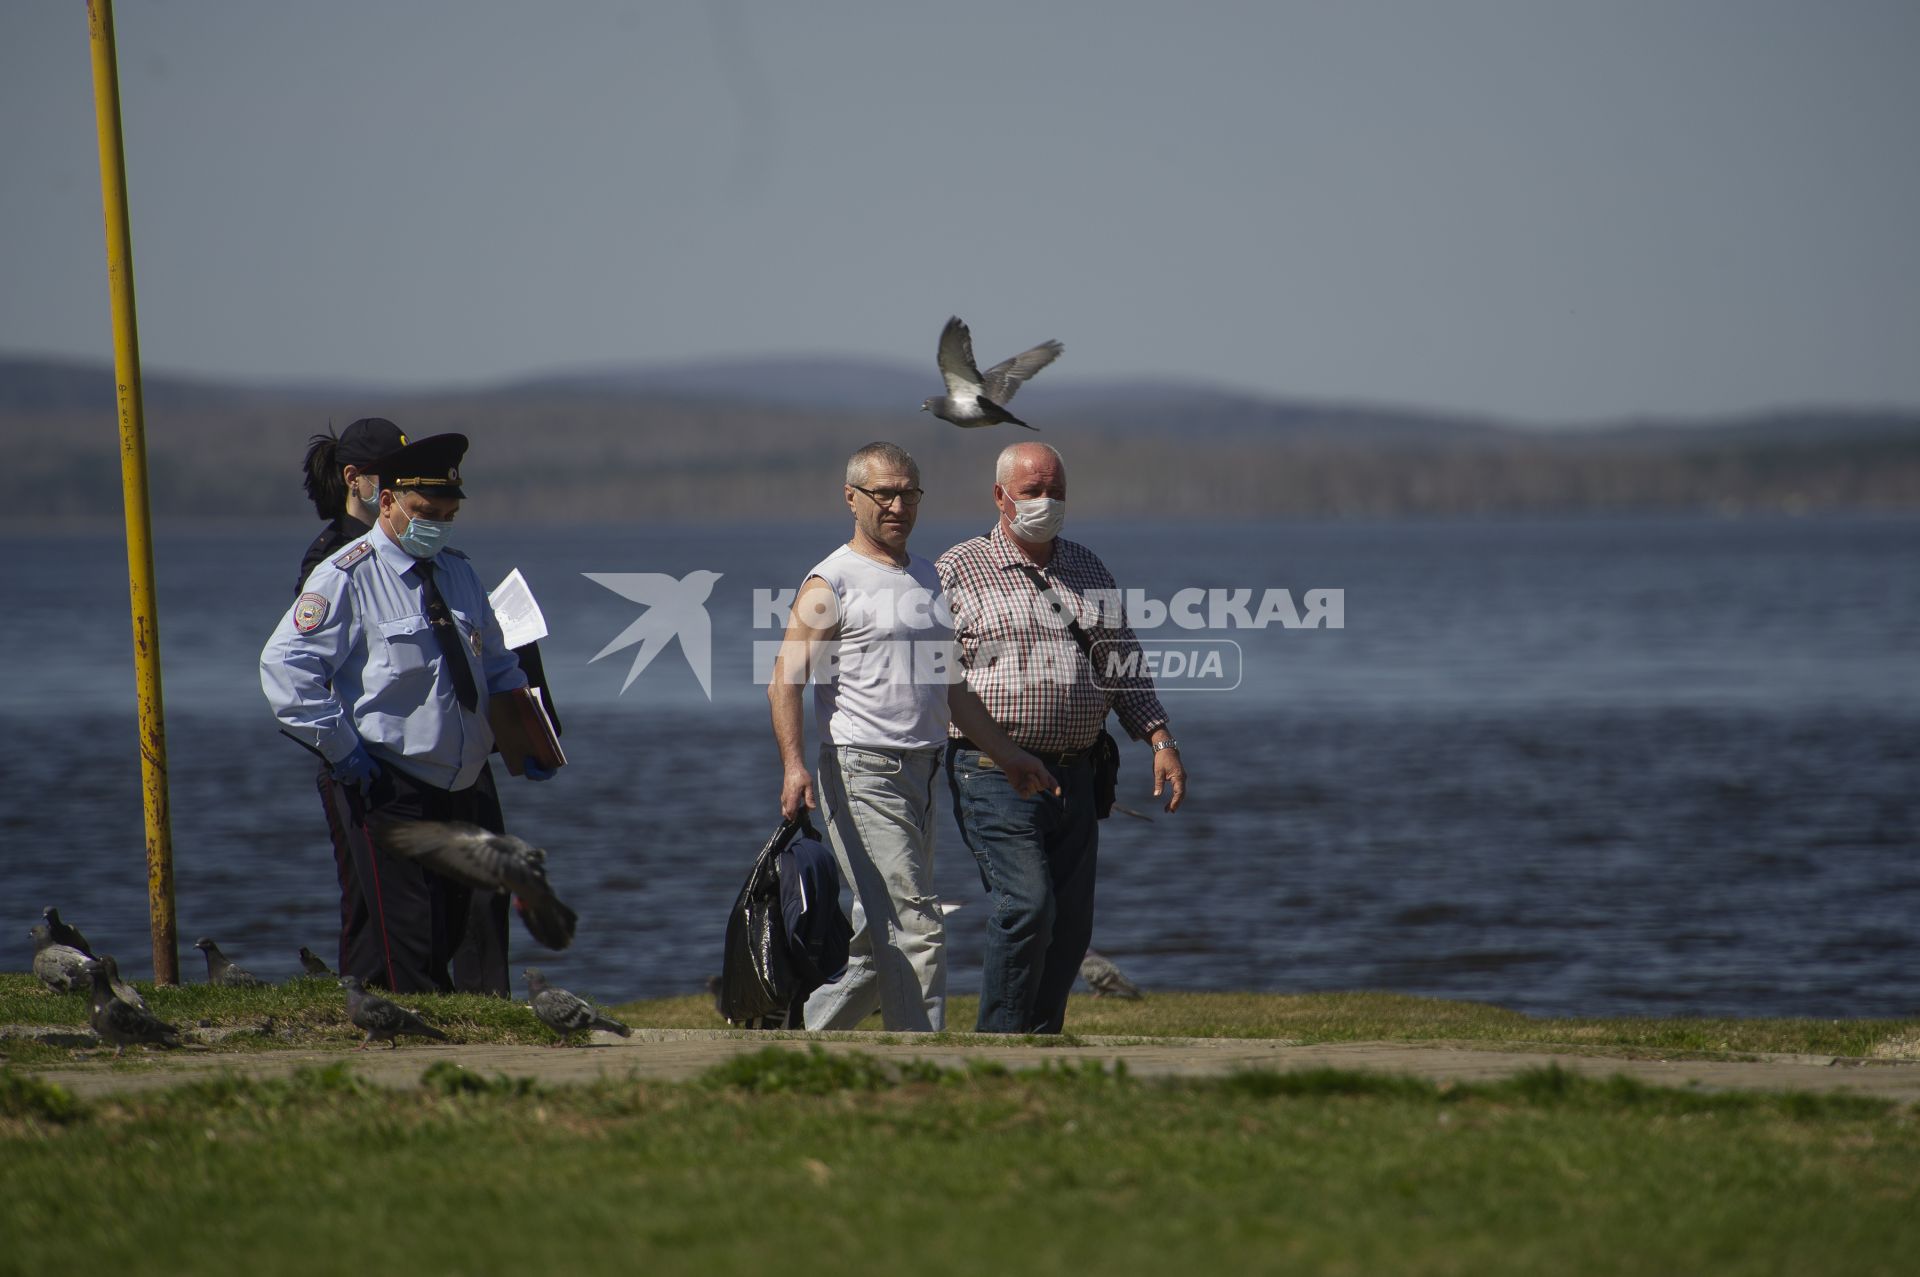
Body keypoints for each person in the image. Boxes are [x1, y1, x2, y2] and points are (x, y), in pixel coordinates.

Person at [769, 441, 1055, 1031]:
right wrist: (795, 766)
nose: (898, 505)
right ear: (852, 498)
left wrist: (1008, 756)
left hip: (924, 771)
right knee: (917, 926)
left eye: (909, 493)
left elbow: (951, 692)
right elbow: (784, 683)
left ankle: (798, 1037)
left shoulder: (927, 578)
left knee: (882, 942)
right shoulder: (832, 582)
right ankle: (922, 1068)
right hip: (861, 769)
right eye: (884, 494)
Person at [263, 433, 554, 994]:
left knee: (452, 927)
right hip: (387, 778)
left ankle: (441, 1038)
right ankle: (411, 1056)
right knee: (407, 942)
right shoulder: (346, 575)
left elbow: (496, 666)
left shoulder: (458, 572)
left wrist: (530, 734)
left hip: (461, 783)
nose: (437, 524)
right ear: (389, 500)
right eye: (425, 512)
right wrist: (343, 750)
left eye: (448, 514)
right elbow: (285, 669)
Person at [937, 441, 1189, 1034]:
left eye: (1056, 491)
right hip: (993, 771)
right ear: (1001, 496)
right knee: (1027, 906)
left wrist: (1159, 739)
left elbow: (1123, 664)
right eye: (1033, 492)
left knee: (1072, 925)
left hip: (1078, 774)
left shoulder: (1087, 567)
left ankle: (1038, 1043)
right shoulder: (957, 569)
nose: (1046, 502)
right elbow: (928, 676)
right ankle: (999, 1045)